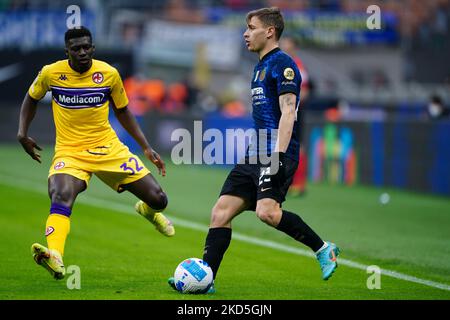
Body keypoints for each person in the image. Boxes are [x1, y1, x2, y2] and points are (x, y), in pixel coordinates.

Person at [168, 7, 340, 293]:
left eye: (251, 27)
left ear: (269, 31)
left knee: (267, 213)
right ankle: (207, 281)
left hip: (276, 150)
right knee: (220, 213)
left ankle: (324, 249)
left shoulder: (283, 64)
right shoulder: (259, 66)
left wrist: (279, 156)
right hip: (256, 150)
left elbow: (289, 113)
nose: (245, 34)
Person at [17, 27, 175, 280]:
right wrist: (22, 133)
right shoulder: (51, 73)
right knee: (61, 194)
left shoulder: (109, 74)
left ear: (93, 48)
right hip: (70, 152)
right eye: (76, 48)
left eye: (86, 47)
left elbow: (123, 110)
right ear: (66, 51)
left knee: (159, 200)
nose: (82, 52)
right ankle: (55, 256)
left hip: (108, 149)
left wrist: (145, 146)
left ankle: (147, 210)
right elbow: (31, 98)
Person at [280, 36, 311, 196]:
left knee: (297, 146)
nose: (285, 48)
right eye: (283, 45)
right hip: (281, 112)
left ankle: (299, 184)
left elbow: (304, 91)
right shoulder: (279, 65)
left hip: (293, 113)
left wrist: (292, 107)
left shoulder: (298, 66)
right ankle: (284, 181)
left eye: (288, 45)